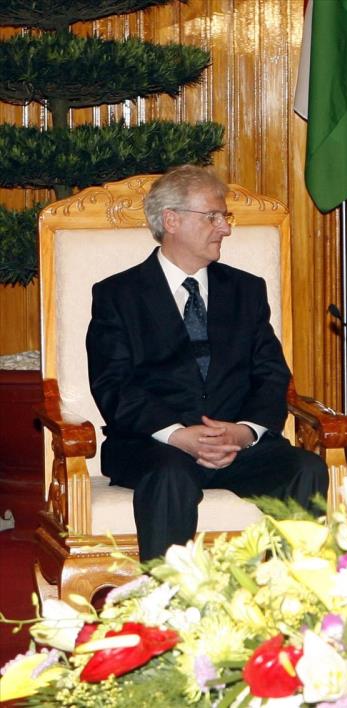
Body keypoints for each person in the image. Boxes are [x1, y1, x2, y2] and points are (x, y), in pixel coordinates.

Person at [86, 166, 328, 560]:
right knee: (169, 476)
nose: (225, 229)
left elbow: (271, 374)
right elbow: (113, 385)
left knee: (306, 468)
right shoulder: (119, 294)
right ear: (171, 220)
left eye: (225, 217)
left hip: (236, 445)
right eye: (213, 217)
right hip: (155, 445)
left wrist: (244, 432)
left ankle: (296, 588)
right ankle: (168, 594)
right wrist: (178, 435)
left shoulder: (246, 290)